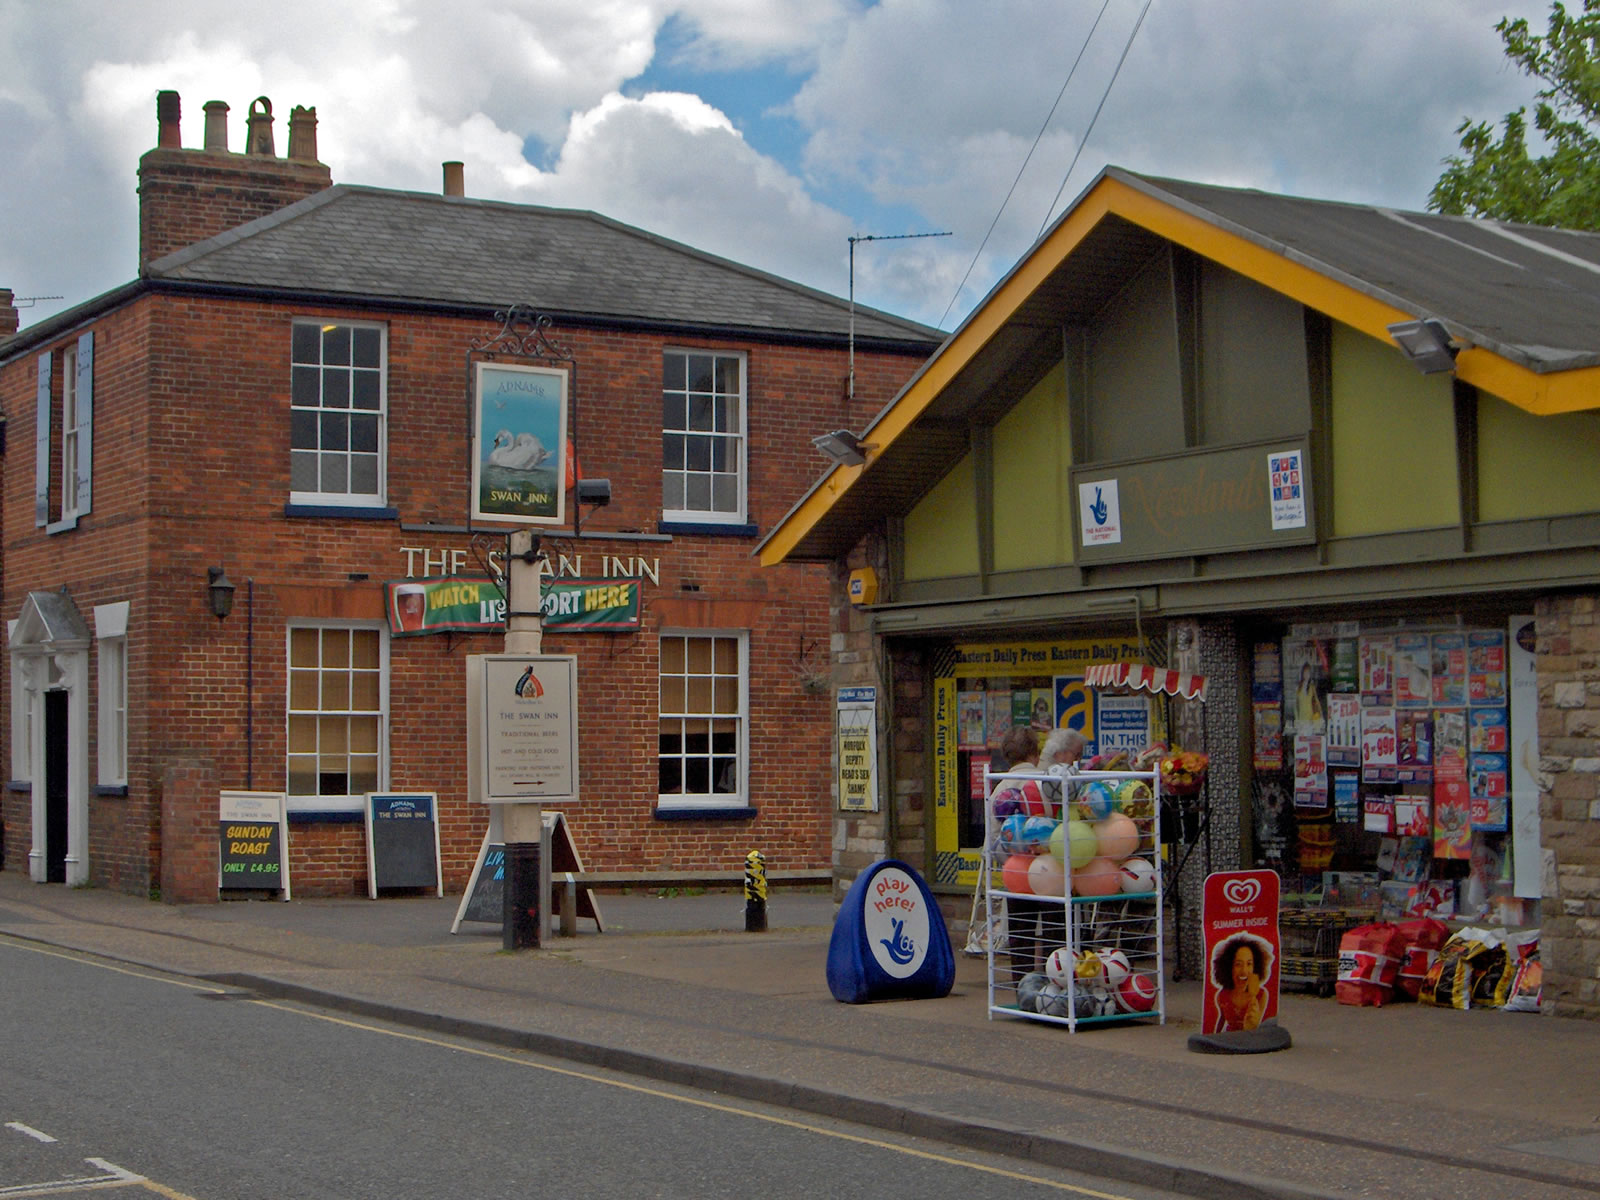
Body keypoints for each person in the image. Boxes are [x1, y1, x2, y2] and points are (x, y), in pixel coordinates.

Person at [1213, 934, 1271, 1031]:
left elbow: (1259, 1024)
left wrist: (1253, 1024)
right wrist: (1215, 1036)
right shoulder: (1222, 996)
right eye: (1238, 964)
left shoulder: (1261, 995)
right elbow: (1221, 1019)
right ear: (1228, 967)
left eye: (1249, 964)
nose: (1244, 971)